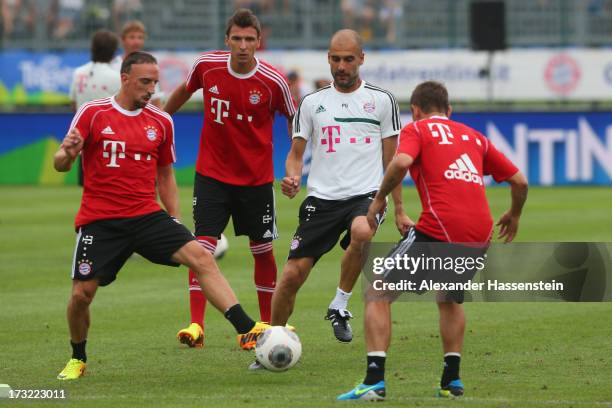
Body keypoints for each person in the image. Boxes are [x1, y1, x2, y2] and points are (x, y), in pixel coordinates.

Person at [53, 51, 267, 380]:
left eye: (154, 82)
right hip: (101, 220)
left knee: (201, 257)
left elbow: (165, 175)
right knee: (81, 295)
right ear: (124, 79)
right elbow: (61, 162)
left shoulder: (161, 121)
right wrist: (66, 153)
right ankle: (77, 357)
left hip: (146, 216)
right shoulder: (93, 113)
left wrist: (176, 219)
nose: (151, 88)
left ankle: (247, 328)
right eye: (144, 82)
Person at [337, 81, 528, 401]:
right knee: (449, 298)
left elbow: (399, 163)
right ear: (449, 111)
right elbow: (519, 181)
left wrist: (380, 199)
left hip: (441, 226)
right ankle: (451, 381)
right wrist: (514, 214)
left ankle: (373, 381)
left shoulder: (419, 129)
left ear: (415, 110)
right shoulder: (475, 136)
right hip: (481, 232)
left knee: (377, 291)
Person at [264, 28, 408, 353]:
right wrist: (292, 177)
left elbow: (392, 161)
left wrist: (397, 207)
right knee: (290, 278)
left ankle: (340, 304)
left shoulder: (382, 101)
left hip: (366, 195)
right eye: (335, 59)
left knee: (362, 230)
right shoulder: (312, 103)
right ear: (328, 59)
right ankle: (273, 341)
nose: (341, 66)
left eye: (348, 59)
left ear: (361, 59)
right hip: (321, 199)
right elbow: (296, 153)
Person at [163, 8, 295, 350]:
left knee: (262, 250)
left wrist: (293, 165)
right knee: (200, 250)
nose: (242, 45)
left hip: (255, 181)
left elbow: (294, 119)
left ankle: (265, 324)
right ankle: (196, 324)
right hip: (212, 176)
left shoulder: (273, 80)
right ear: (227, 40)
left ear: (258, 42)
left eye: (249, 39)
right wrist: (158, 122)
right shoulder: (206, 66)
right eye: (236, 38)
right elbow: (181, 92)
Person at [69, 29, 121, 186]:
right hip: (109, 142)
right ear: (113, 51)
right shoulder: (117, 76)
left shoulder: (78, 73)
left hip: (84, 141)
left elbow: (73, 104)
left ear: (92, 48)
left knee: (89, 189)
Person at [111, 20, 163, 107]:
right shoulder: (113, 66)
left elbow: (156, 102)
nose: (136, 42)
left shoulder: (150, 67)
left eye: (140, 38)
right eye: (132, 37)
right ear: (123, 40)